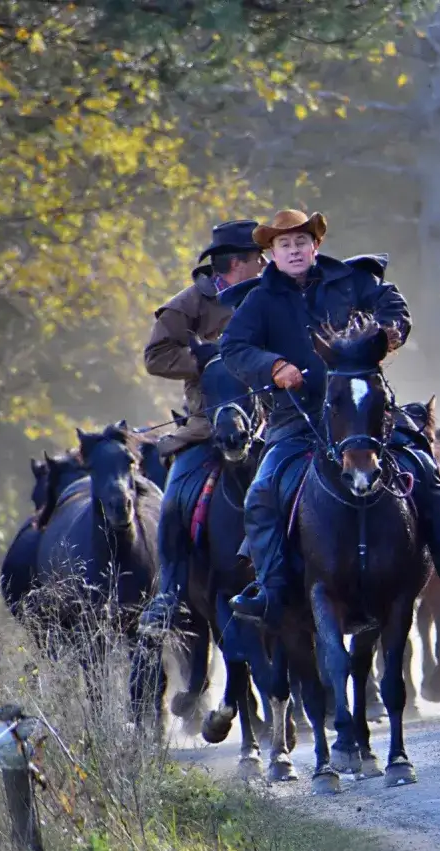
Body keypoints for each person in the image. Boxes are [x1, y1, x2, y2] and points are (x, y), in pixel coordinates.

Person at [220, 208, 440, 630]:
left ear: (315, 246)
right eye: (285, 245)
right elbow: (233, 347)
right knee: (262, 492)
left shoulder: (349, 280)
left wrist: (389, 330)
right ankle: (272, 587)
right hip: (296, 419)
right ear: (271, 254)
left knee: (423, 467)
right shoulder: (258, 300)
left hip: (364, 413)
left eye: (301, 242)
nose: (295, 251)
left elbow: (392, 303)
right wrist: (273, 366)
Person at [139, 220, 266, 633]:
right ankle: (169, 596)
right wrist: (208, 362)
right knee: (175, 499)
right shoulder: (187, 304)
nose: (265, 263)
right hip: (208, 426)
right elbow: (156, 356)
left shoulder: (272, 292)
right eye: (258, 258)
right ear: (236, 264)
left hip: (274, 422)